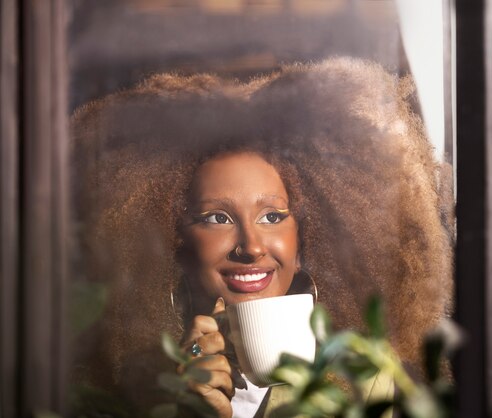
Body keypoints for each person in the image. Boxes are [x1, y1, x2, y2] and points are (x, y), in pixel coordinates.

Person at [72, 57, 454, 417]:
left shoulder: (375, 384)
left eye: (272, 216)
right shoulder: (130, 392)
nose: (252, 247)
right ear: (178, 247)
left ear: (303, 242)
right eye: (217, 218)